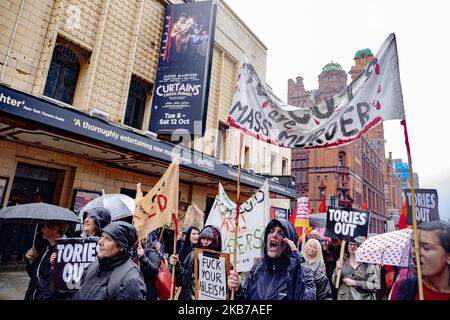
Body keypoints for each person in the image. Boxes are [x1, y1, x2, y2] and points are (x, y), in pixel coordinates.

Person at [228, 218, 316, 300]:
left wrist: (295, 267)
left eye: (281, 233)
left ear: (289, 242)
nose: (274, 235)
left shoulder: (304, 273)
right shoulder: (258, 268)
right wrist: (238, 289)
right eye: (271, 231)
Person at [72, 221, 146, 300]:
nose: (100, 242)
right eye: (102, 236)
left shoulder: (131, 280)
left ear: (121, 246)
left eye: (108, 239)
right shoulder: (94, 265)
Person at [390, 221, 450, 300]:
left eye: (426, 248)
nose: (415, 252)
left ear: (448, 256)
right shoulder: (405, 288)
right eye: (414, 245)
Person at [170, 225, 221, 300]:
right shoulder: (192, 255)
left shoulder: (222, 262)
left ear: (215, 241)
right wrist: (176, 265)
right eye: (203, 238)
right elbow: (184, 279)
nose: (205, 242)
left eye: (209, 239)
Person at [24, 220, 68, 300]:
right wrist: (32, 261)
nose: (42, 230)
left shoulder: (62, 252)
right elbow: (35, 277)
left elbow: (52, 288)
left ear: (55, 229)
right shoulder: (46, 248)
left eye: (45, 227)